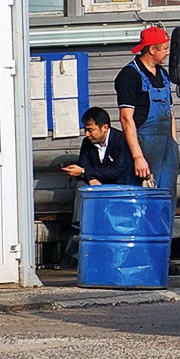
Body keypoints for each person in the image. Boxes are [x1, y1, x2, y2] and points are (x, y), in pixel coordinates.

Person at [55, 107, 137, 270]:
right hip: (95, 186)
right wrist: (89, 177)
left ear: (104, 127)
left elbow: (118, 170)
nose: (87, 134)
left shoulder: (120, 140)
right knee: (81, 188)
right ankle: (76, 247)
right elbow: (83, 167)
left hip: (117, 186)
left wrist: (87, 173)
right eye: (86, 130)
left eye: (90, 130)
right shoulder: (87, 143)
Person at [116, 26, 179, 206]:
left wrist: (174, 143)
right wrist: (138, 157)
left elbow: (170, 112)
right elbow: (126, 120)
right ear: (152, 49)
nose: (168, 53)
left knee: (166, 200)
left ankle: (164, 234)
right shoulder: (129, 75)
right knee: (143, 202)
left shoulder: (163, 74)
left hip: (166, 149)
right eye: (165, 48)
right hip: (144, 147)